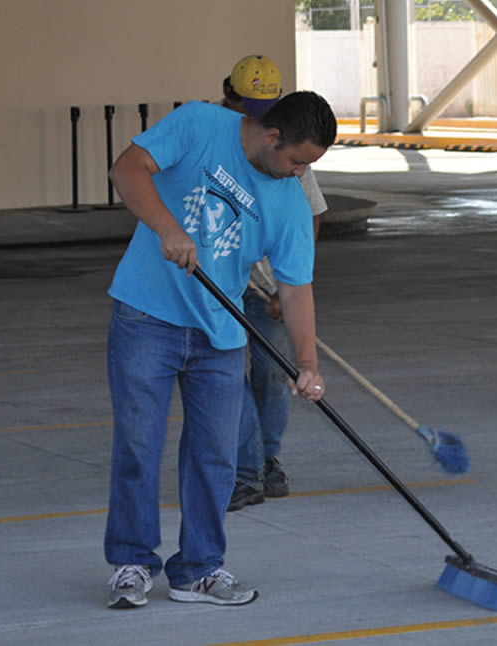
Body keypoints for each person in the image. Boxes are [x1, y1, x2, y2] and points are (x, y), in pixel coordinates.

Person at [103, 86, 337, 609]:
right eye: (297, 161)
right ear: (273, 136)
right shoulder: (199, 125)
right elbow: (128, 169)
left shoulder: (290, 203)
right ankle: (132, 563)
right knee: (139, 446)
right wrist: (167, 227)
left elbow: (296, 287)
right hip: (147, 317)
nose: (300, 173)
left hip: (221, 333)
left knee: (216, 456)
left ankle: (198, 570)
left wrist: (307, 363)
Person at [218, 55, 329, 512]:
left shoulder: (292, 155)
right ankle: (244, 471)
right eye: (246, 105)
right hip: (219, 283)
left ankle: (268, 458)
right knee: (227, 374)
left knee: (272, 372)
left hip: (267, 287)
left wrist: (291, 284)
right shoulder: (216, 144)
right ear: (229, 99)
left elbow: (309, 221)